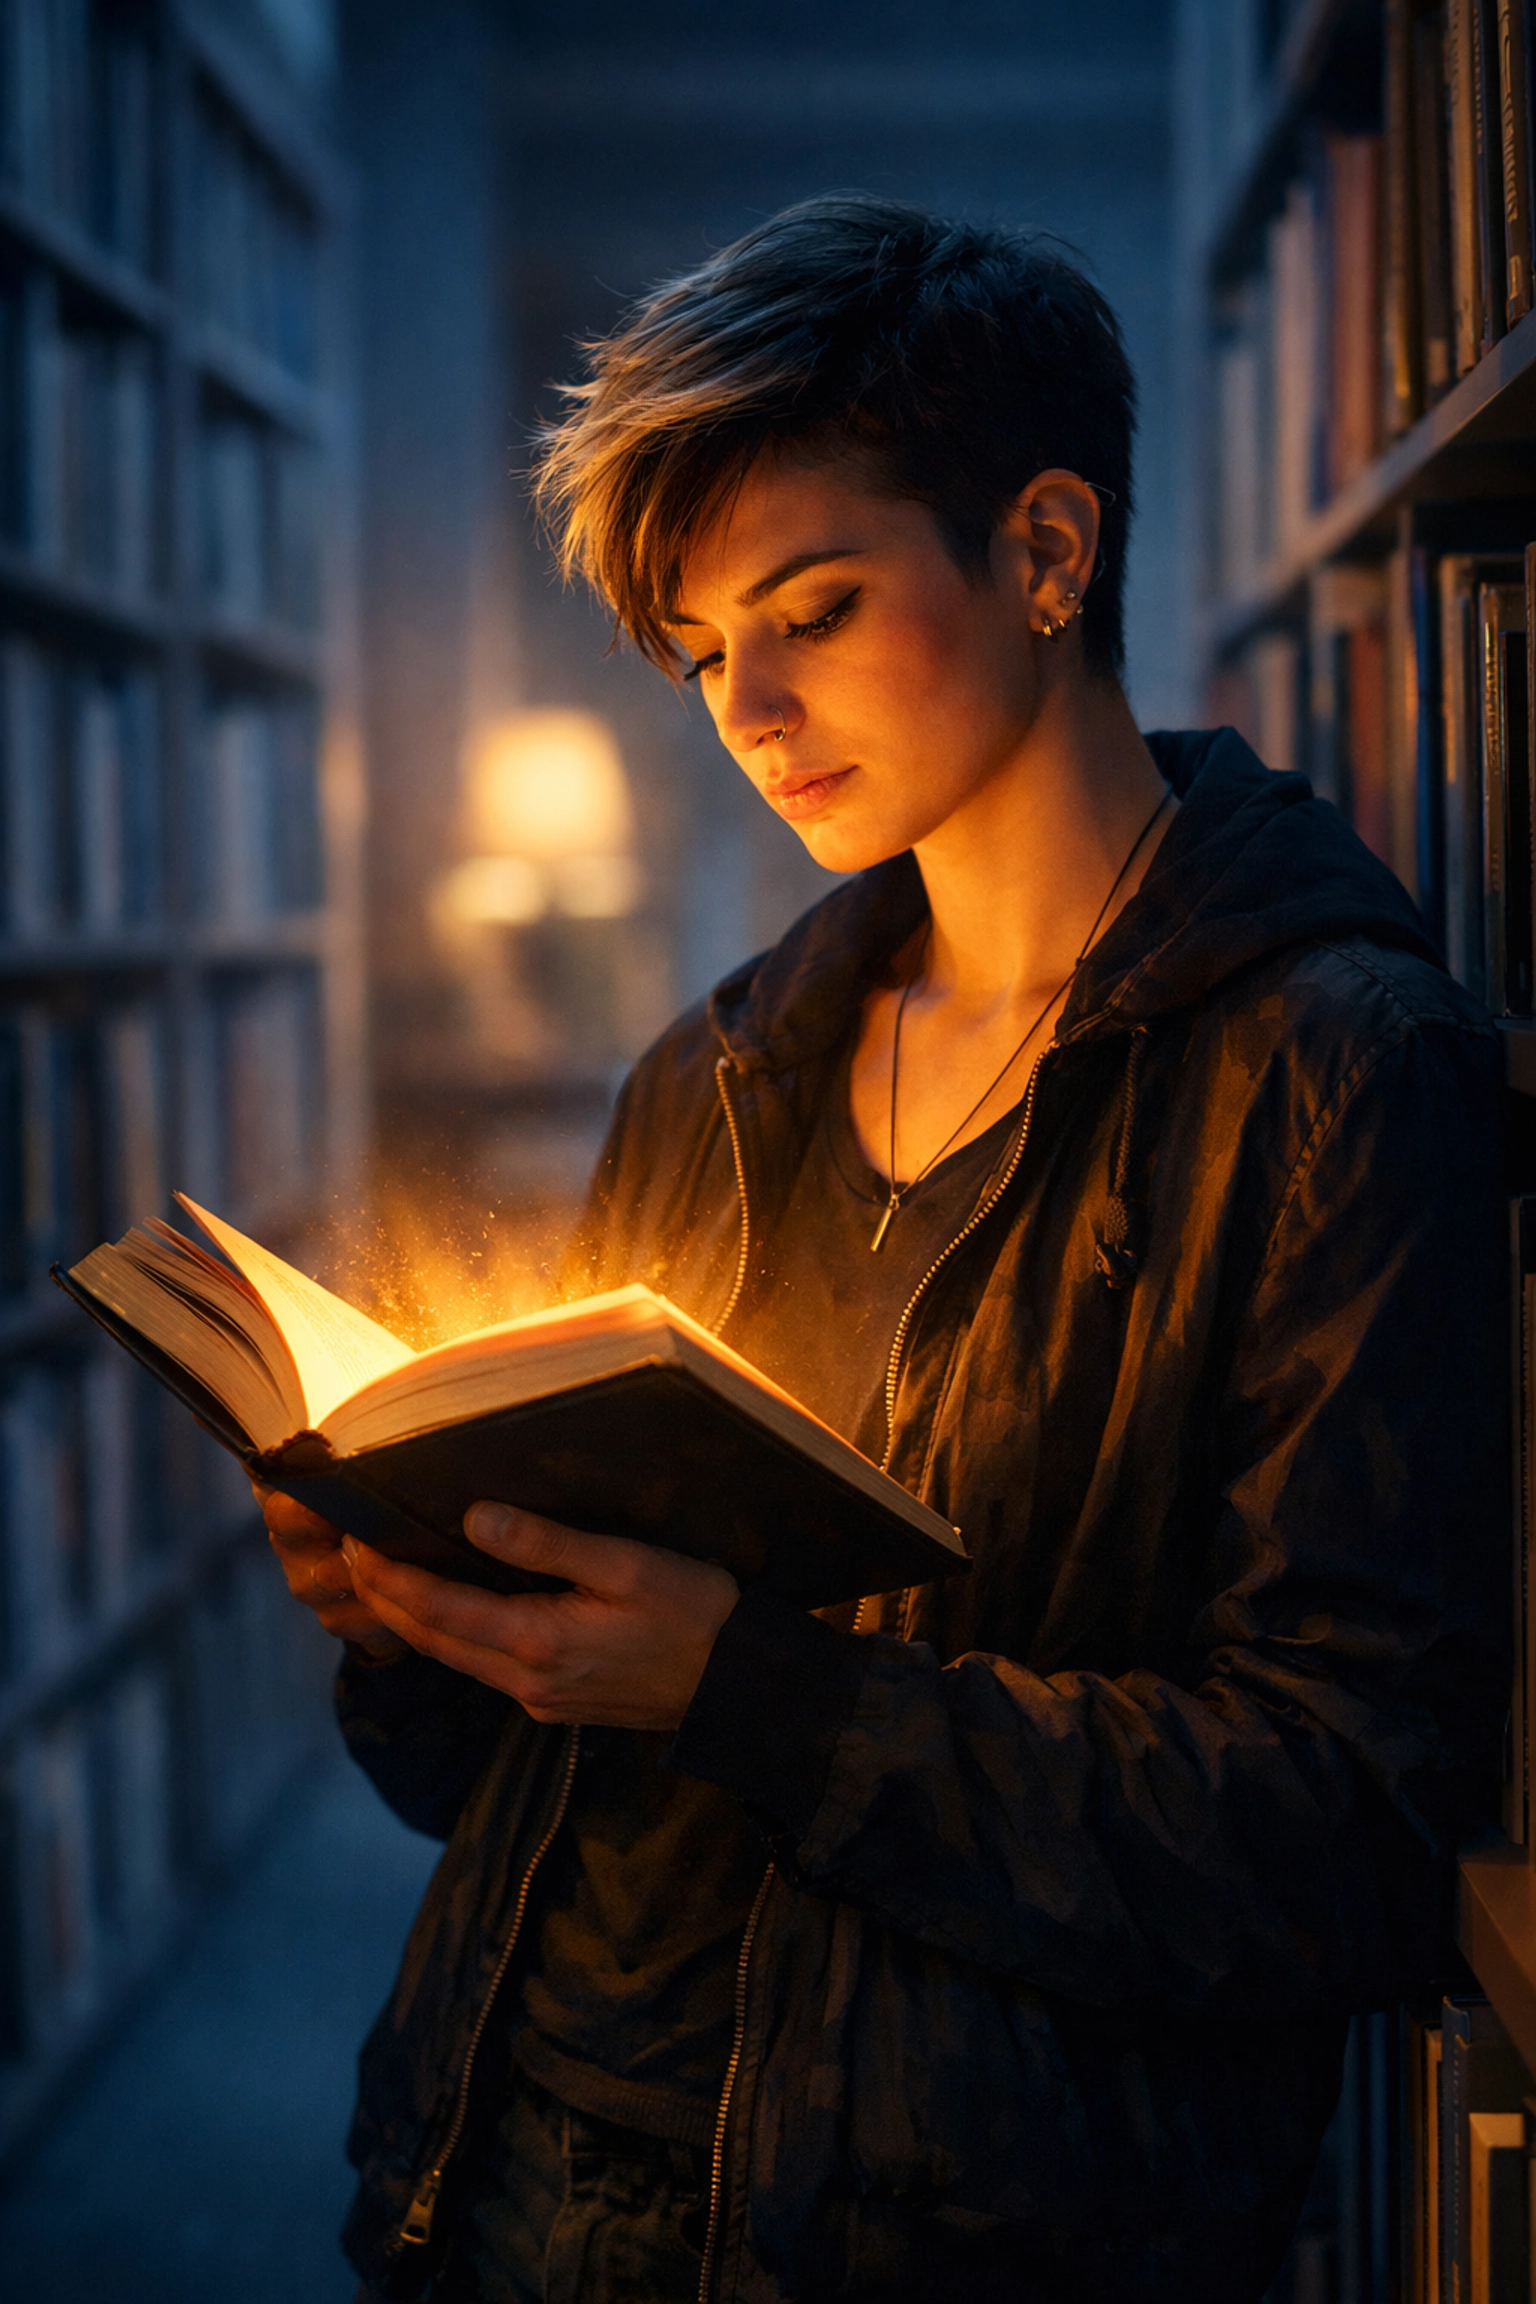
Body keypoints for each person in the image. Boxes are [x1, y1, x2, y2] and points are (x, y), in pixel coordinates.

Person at [259, 198, 1509, 2304]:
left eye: (811, 609)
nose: (745, 708)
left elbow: (1343, 1834)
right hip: (498, 2155)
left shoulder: (1332, 1070)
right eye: (698, 651)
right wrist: (420, 1614)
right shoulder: (721, 1071)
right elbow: (504, 1796)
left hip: (940, 2231)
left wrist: (753, 1689)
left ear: (1042, 551)